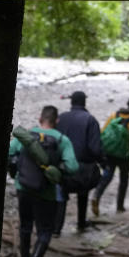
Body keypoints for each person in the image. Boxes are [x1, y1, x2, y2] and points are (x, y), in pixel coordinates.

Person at [8, 105, 78, 257]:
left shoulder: (27, 135)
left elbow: (9, 153)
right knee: (45, 231)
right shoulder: (62, 140)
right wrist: (56, 169)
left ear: (40, 119)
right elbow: (72, 167)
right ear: (57, 122)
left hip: (22, 188)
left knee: (25, 225)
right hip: (46, 193)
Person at [55, 90, 104, 234]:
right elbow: (95, 148)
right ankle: (81, 223)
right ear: (84, 102)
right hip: (83, 168)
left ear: (71, 102)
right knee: (83, 192)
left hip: (63, 166)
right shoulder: (90, 119)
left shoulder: (61, 118)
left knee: (62, 195)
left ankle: (57, 229)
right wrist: (103, 161)